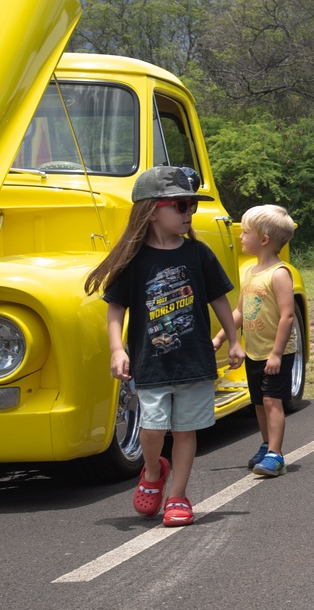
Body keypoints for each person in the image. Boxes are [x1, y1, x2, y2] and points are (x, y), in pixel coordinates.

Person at [84, 166, 245, 527]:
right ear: (153, 209)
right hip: (151, 361)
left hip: (194, 360)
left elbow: (219, 299)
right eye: (182, 205)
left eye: (191, 206)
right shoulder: (135, 260)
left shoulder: (198, 255)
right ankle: (154, 471)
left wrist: (234, 340)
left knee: (186, 430)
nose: (190, 213)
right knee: (154, 430)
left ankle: (177, 497)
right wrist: (117, 349)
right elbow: (115, 308)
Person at [213, 204, 296, 477]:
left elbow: (287, 316)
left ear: (264, 239)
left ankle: (276, 454)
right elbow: (239, 312)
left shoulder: (280, 273)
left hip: (276, 353)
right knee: (258, 402)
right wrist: (221, 337)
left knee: (273, 402)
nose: (240, 236)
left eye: (245, 232)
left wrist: (276, 353)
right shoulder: (249, 272)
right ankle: (265, 444)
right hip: (255, 352)